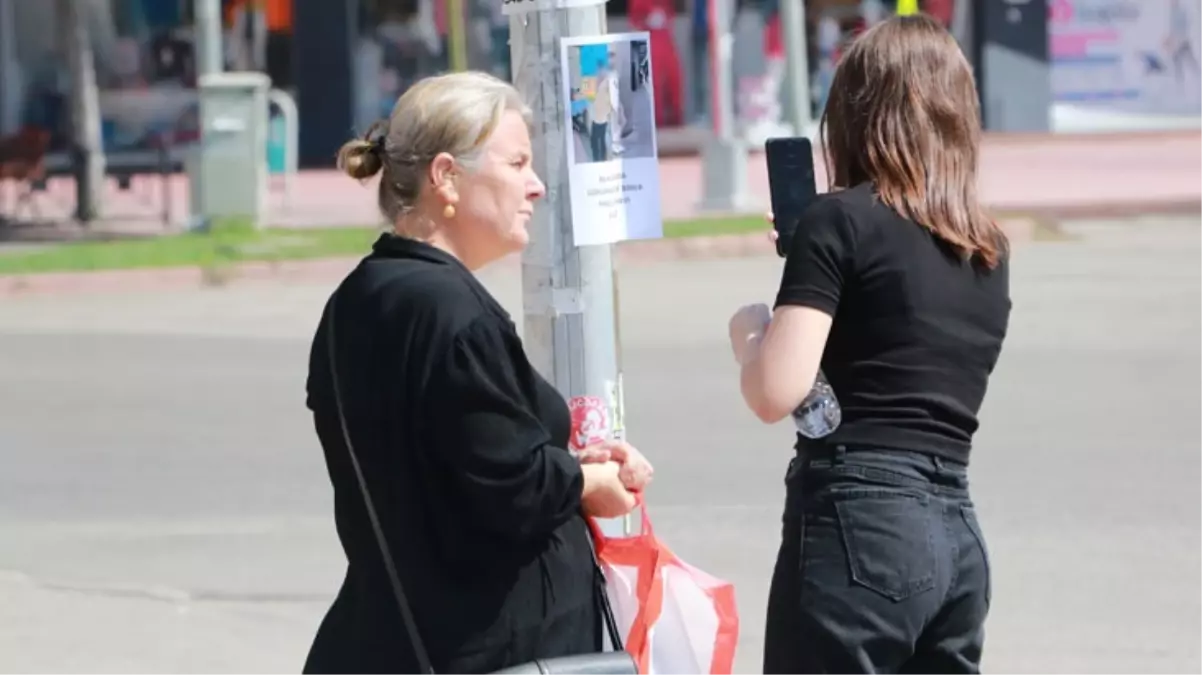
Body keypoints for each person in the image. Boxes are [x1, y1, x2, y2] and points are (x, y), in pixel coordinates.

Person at [303, 71, 653, 675]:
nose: (536, 186)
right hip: (484, 651)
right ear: (446, 177)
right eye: (517, 163)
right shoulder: (449, 311)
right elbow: (509, 488)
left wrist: (573, 464)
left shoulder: (359, 297)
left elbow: (455, 466)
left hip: (397, 635)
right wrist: (589, 481)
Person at [727, 16, 1011, 675]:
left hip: (860, 521)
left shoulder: (837, 220)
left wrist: (748, 332)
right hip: (957, 535)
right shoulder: (987, 250)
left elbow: (776, 390)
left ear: (856, 115)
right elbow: (895, 349)